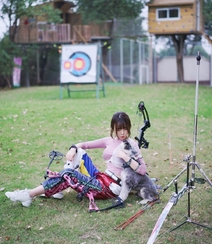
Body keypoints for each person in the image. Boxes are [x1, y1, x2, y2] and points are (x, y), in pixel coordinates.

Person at [5, 112, 147, 208]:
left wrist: (125, 157)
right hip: (101, 177)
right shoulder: (109, 140)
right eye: (118, 129)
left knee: (69, 173)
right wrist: (73, 148)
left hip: (111, 187)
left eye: (125, 129)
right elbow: (84, 145)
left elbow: (142, 169)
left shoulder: (132, 145)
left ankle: (28, 194)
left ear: (129, 128)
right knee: (80, 153)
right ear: (113, 128)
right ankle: (56, 190)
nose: (122, 133)